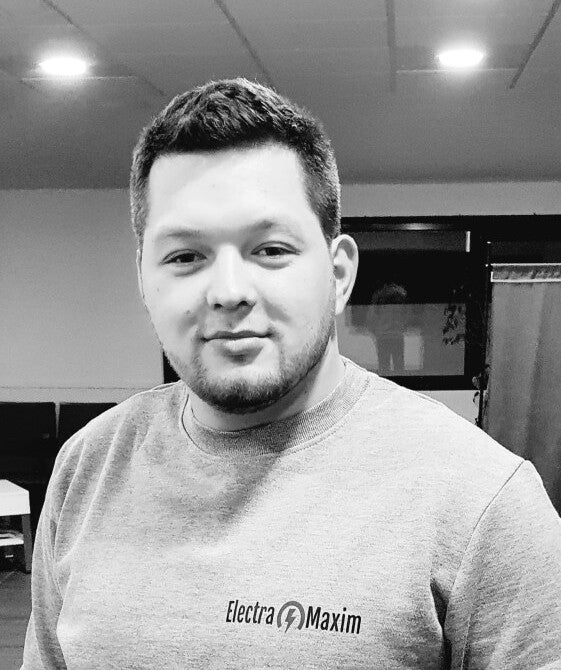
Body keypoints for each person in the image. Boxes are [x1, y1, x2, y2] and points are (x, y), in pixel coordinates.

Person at [21, 78, 561, 669]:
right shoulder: (87, 468)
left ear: (339, 274)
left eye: (271, 249)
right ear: (144, 279)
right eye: (185, 256)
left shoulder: (483, 501)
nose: (228, 291)